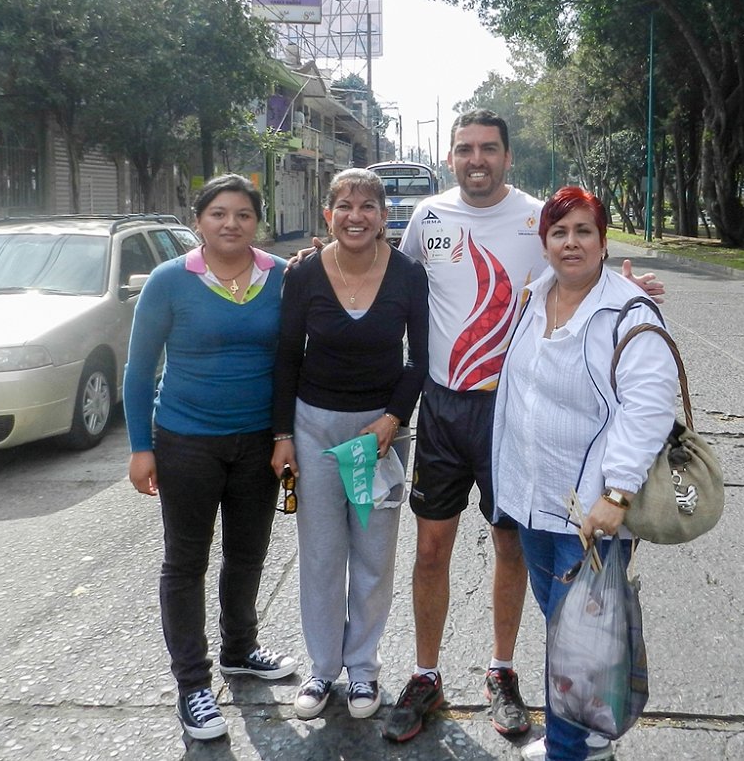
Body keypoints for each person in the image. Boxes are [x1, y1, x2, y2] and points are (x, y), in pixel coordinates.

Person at [380, 109, 665, 756]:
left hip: (506, 413)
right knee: (430, 549)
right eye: (465, 149)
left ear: (508, 156)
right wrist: (312, 263)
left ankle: (502, 671)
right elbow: (393, 280)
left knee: (513, 546)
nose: (476, 159)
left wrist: (622, 286)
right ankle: (425, 675)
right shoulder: (427, 217)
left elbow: (579, 275)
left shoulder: (538, 217)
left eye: (488, 148)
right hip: (444, 408)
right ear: (450, 157)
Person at [491, 186, 677, 761]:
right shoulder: (535, 296)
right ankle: (587, 733)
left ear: (602, 240)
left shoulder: (627, 311)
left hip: (591, 514)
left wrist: (617, 494)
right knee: (565, 630)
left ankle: (570, 749)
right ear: (544, 242)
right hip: (534, 498)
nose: (570, 243)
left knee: (577, 639)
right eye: (559, 232)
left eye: (583, 231)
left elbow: (649, 409)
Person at [123, 174, 297, 743]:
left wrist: (284, 434)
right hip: (186, 441)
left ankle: (240, 648)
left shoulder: (280, 276)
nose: (231, 224)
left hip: (258, 443)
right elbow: (138, 369)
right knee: (185, 562)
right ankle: (193, 684)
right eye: (219, 213)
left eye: (243, 214)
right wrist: (141, 447)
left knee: (247, 554)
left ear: (257, 223)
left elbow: (292, 359)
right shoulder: (170, 280)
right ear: (198, 220)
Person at [271, 167, 429, 722]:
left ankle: (362, 669)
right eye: (345, 206)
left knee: (373, 556)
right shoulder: (305, 273)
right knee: (319, 555)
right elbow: (286, 355)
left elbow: (420, 359)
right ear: (328, 214)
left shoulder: (408, 274)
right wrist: (282, 436)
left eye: (367, 207)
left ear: (384, 217)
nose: (355, 216)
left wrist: (392, 420)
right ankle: (322, 668)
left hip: (377, 438)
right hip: (313, 427)